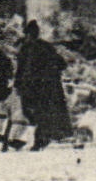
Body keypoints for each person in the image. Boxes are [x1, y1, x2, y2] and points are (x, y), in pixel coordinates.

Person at [14, 20, 72, 150]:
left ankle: (39, 140)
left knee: (36, 113)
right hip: (45, 87)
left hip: (34, 87)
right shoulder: (46, 47)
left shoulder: (26, 48)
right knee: (40, 113)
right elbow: (62, 64)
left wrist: (18, 84)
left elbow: (21, 68)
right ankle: (41, 138)